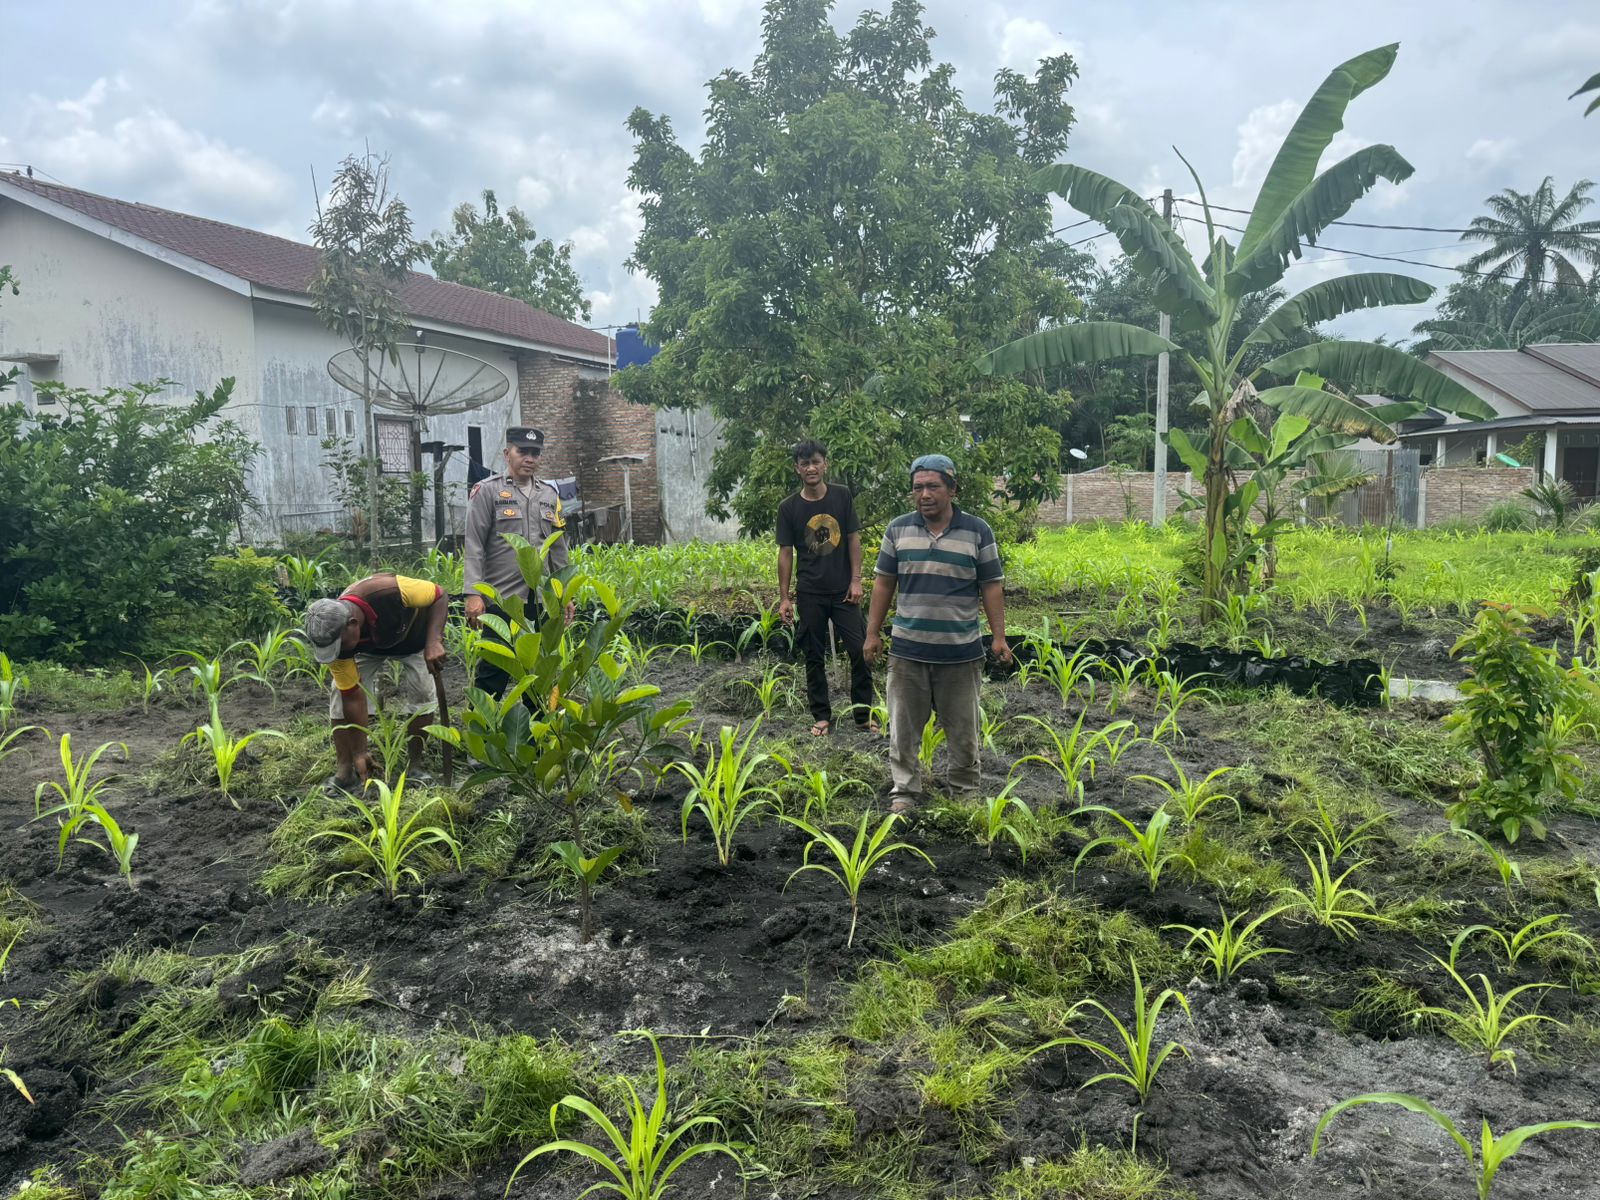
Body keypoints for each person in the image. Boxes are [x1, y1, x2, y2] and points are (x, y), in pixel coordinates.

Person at [864, 454, 1011, 814]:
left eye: (933, 486)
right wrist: (872, 634)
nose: (924, 494)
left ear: (952, 489)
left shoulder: (978, 531)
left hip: (960, 653)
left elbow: (991, 586)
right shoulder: (898, 530)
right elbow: (884, 584)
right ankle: (905, 790)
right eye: (918, 488)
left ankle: (963, 791)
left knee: (963, 730)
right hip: (908, 651)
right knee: (903, 729)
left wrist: (999, 637)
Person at [303, 573, 449, 791]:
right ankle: (345, 770)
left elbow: (440, 595)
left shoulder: (389, 590)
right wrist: (360, 751)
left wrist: (434, 641)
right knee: (338, 695)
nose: (335, 653)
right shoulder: (338, 644)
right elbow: (352, 696)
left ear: (353, 624)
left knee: (422, 690)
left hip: (414, 638)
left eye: (337, 647)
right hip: (368, 648)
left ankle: (415, 766)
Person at [463, 426, 570, 698]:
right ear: (507, 453)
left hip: (540, 600)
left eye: (535, 453)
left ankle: (533, 738)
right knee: (492, 671)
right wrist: (474, 593)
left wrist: (565, 593)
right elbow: (474, 544)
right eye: (523, 451)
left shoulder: (549, 495)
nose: (530, 458)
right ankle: (483, 734)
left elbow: (558, 548)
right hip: (502, 599)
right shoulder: (487, 491)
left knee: (537, 674)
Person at [776, 439, 874, 737]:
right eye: (804, 464)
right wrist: (784, 598)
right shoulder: (789, 508)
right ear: (797, 469)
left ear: (825, 464)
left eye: (815, 462)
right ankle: (821, 716)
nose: (811, 468)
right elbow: (785, 552)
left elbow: (854, 539)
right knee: (813, 654)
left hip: (844, 591)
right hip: (810, 592)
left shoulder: (842, 497)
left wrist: (856, 580)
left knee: (859, 651)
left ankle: (863, 716)